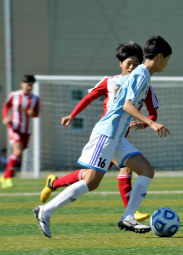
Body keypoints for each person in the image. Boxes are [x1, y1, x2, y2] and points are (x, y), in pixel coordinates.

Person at [33, 35, 172, 238]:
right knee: (91, 181)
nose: (167, 64)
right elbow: (127, 105)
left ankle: (128, 216)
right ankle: (45, 211)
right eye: (167, 60)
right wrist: (151, 122)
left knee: (146, 171)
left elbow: (125, 96)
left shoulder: (142, 75)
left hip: (116, 138)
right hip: (107, 134)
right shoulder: (141, 74)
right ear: (159, 57)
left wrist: (144, 120)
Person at [1, 75, 39, 188]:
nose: (29, 87)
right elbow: (6, 106)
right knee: (17, 151)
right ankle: (8, 178)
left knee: (18, 153)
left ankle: (4, 177)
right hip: (14, 127)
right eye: (27, 85)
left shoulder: (35, 99)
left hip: (27, 130)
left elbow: (36, 113)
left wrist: (33, 114)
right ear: (22, 84)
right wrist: (5, 117)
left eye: (31, 85)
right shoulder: (14, 95)